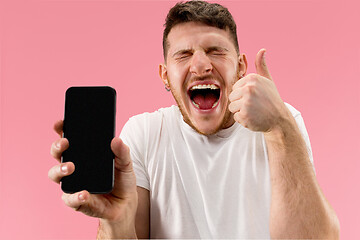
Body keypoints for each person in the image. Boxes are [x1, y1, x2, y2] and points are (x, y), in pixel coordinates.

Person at [49, 0, 340, 238]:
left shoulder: (282, 121)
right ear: (165, 76)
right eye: (184, 54)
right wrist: (115, 221)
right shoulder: (145, 134)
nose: (200, 65)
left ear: (240, 67)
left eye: (215, 51)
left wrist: (281, 127)